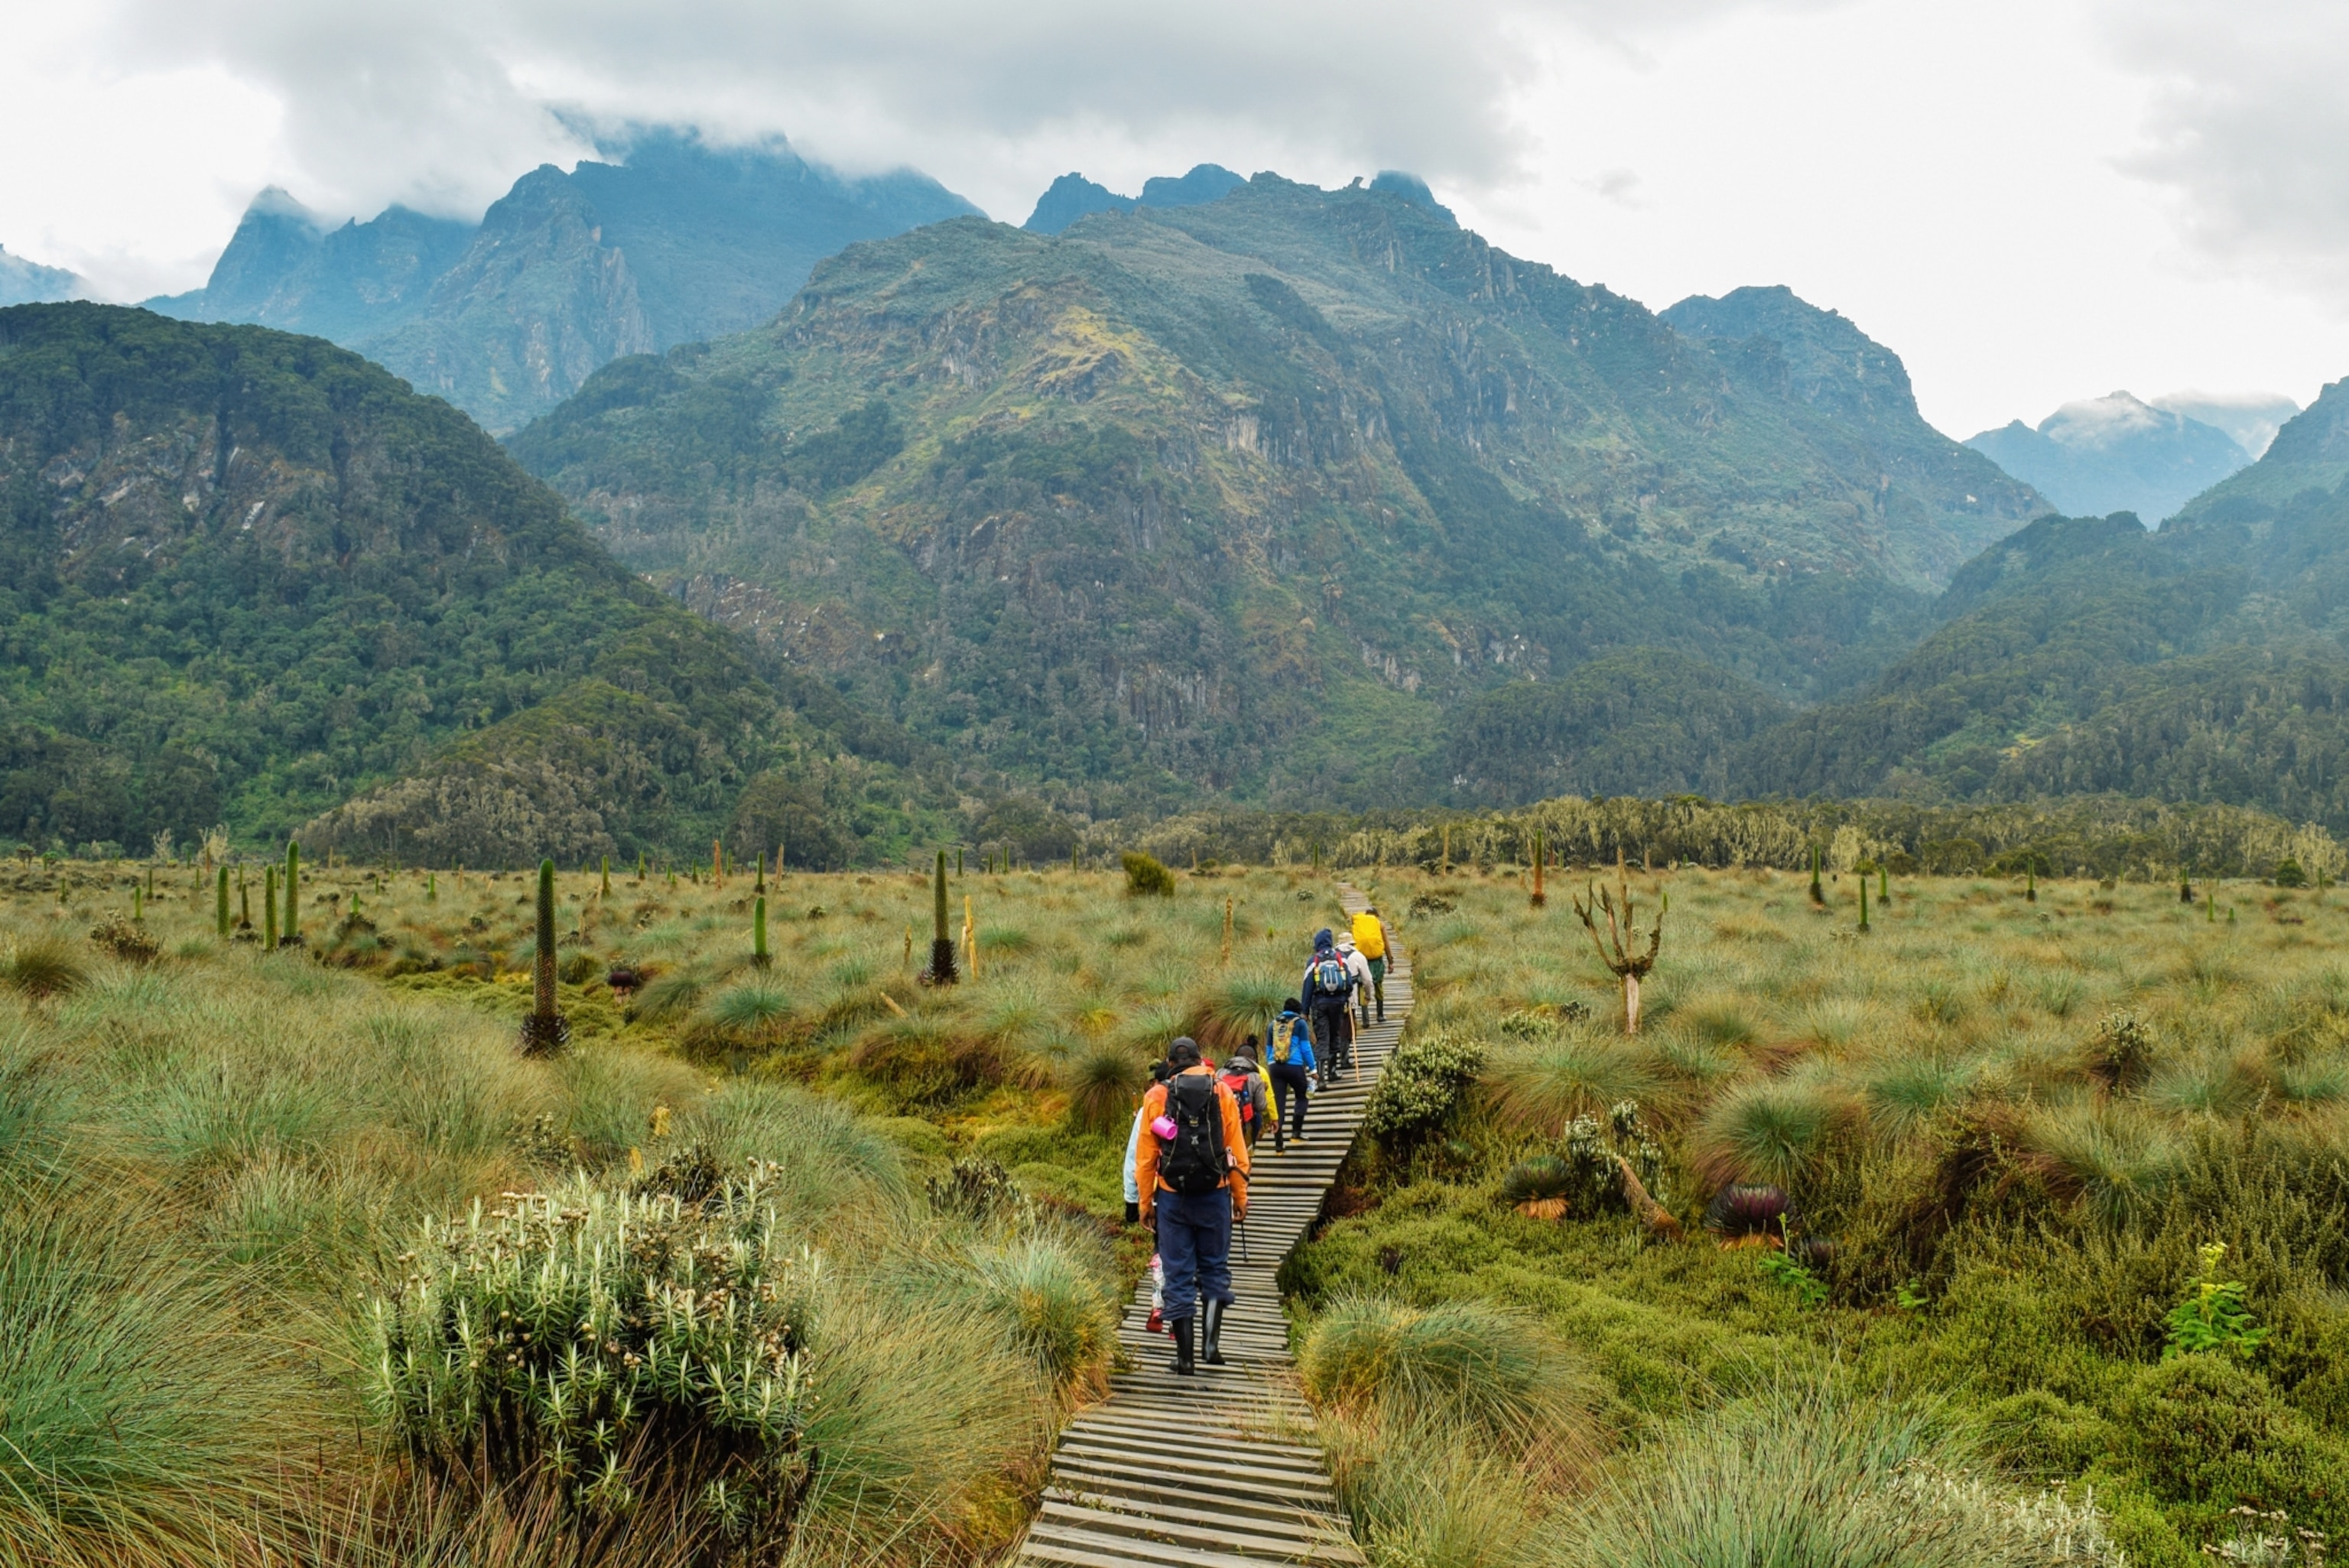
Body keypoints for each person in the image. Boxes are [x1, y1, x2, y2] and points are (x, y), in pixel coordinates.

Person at [1134, 1037, 1250, 1372]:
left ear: (1170, 1064)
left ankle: (1185, 1359)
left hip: (1173, 1198)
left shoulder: (1157, 1096)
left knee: (1178, 1274)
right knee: (1214, 1269)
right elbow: (1236, 1151)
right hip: (1216, 1193)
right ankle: (1211, 1347)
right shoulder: (1222, 1092)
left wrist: (1146, 1203)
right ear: (1201, 1060)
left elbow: (1145, 1159)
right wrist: (1239, 1197)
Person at [1123, 1060, 1174, 1332]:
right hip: (1201, 1194)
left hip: (1160, 1192)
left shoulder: (1150, 1107)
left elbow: (1137, 1157)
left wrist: (1134, 1200)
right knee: (1189, 1253)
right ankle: (1182, 1312)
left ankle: (1158, 1305)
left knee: (1162, 1249)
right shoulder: (1207, 1098)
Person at [1301, 928, 1356, 1082]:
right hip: (1338, 1004)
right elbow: (1349, 983)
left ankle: (1321, 1078)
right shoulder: (1341, 958)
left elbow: (1307, 987)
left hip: (1320, 1005)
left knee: (1322, 1038)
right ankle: (1332, 1072)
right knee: (1335, 1035)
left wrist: (1304, 1011)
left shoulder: (1314, 961)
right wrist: (1344, 998)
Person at [1264, 998, 1316, 1150]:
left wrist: (1271, 1066)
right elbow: (1306, 1048)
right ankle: (1295, 1133)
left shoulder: (1272, 1024)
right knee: (1303, 1095)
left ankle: (1279, 1144)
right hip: (1294, 1066)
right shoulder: (1300, 1023)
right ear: (1298, 1011)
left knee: (1279, 1103)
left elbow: (1268, 1050)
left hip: (1275, 1067)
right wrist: (1313, 1069)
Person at [1218, 1040, 1272, 1151]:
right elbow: (1261, 1106)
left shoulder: (1220, 1073)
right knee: (1257, 1117)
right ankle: (1251, 1146)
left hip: (1222, 1121)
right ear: (1253, 1059)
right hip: (1245, 1123)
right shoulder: (1256, 1077)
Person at [1351, 905, 1395, 1022]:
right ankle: (1380, 1015)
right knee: (1378, 985)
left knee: (1361, 985)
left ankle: (1365, 1018)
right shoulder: (1379, 924)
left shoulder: (1359, 925)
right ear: (1376, 915)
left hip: (1361, 959)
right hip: (1377, 960)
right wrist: (1390, 961)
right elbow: (1386, 945)